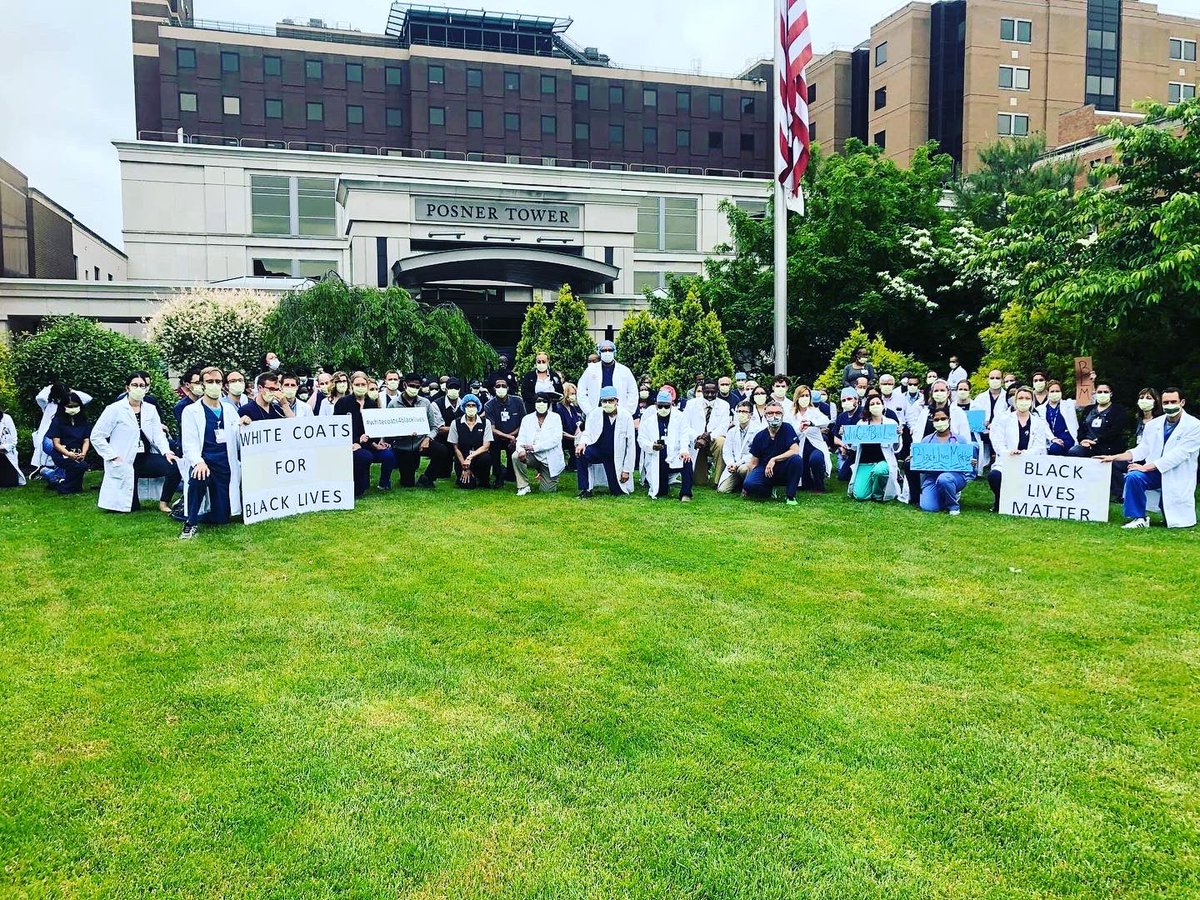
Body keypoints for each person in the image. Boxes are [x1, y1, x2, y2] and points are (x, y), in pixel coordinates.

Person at [1100, 388, 1200, 529]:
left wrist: (1146, 467)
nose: (1169, 405)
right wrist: (1114, 457)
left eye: (1173, 401)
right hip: (1154, 472)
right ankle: (1138, 517)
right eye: (1166, 402)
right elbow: (1142, 449)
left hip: (1177, 473)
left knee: (1175, 519)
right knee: (1134, 476)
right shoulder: (1153, 425)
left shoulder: (1194, 425)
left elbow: (1179, 455)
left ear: (1182, 402)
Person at [90, 372, 178, 513]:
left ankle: (164, 503)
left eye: (142, 385)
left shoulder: (150, 409)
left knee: (174, 466)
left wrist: (167, 452)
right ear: (127, 388)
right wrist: (112, 455)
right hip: (124, 458)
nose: (138, 388)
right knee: (131, 507)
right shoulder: (114, 409)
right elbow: (96, 436)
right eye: (135, 385)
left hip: (145, 457)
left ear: (146, 388)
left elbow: (158, 434)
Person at [178, 366, 242, 539]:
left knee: (222, 518)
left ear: (223, 385)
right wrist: (198, 462)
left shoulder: (229, 410)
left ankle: (182, 511)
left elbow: (238, 439)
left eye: (218, 382)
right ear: (202, 384)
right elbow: (189, 443)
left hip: (224, 464)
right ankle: (190, 522)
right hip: (204, 461)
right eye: (210, 382)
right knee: (199, 476)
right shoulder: (191, 411)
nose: (214, 385)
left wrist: (245, 425)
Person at [987, 386, 1052, 512]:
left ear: (1032, 401)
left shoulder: (1038, 422)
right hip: (1007, 460)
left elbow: (1039, 446)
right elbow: (997, 442)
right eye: (1021, 398)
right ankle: (1000, 502)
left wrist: (1024, 454)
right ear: (1015, 400)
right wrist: (1008, 453)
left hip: (1029, 462)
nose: (1024, 401)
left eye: (1027, 398)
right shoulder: (1004, 419)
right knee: (994, 476)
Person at [335, 371, 397, 496]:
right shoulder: (343, 403)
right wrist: (356, 441)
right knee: (365, 456)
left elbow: (374, 429)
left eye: (363, 384)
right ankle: (356, 486)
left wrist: (376, 443)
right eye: (357, 384)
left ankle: (384, 483)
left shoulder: (372, 404)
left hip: (369, 444)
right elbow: (337, 428)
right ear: (351, 385)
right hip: (350, 445)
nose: (360, 387)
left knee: (389, 455)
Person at [382, 373, 442, 489]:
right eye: (412, 385)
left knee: (442, 451)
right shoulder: (393, 404)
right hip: (403, 446)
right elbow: (388, 429)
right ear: (404, 385)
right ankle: (406, 475)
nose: (414, 389)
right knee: (407, 483)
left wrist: (428, 438)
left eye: (417, 387)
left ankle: (427, 477)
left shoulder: (425, 403)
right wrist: (401, 433)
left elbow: (434, 427)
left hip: (421, 442)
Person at [575, 385, 636, 498]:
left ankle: (616, 484)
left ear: (616, 401)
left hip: (615, 456)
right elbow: (588, 432)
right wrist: (582, 443)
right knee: (581, 454)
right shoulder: (595, 414)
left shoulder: (626, 416)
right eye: (604, 401)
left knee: (617, 491)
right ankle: (585, 489)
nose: (607, 403)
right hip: (598, 450)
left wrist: (627, 470)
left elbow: (630, 445)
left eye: (610, 400)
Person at [1070, 381, 1126, 501]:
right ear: (1095, 393)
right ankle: (1077, 487)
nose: (1102, 394)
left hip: (1109, 446)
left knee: (1110, 461)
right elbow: (1081, 428)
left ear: (1111, 393)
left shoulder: (1118, 410)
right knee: (1074, 452)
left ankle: (1118, 493)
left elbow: (1116, 430)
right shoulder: (1089, 409)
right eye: (1099, 392)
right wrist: (1082, 440)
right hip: (1087, 445)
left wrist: (1097, 441)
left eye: (1105, 392)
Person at [917, 408, 977, 515]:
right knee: (929, 507)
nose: (940, 422)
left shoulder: (960, 440)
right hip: (932, 477)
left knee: (944, 478)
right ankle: (943, 496)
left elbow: (967, 464)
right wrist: (916, 460)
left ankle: (953, 506)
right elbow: (922, 466)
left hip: (954, 477)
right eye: (937, 419)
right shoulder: (926, 440)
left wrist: (970, 463)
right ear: (932, 421)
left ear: (949, 419)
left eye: (943, 418)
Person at [639, 390, 695, 502]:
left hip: (676, 455)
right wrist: (652, 446)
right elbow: (641, 439)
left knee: (687, 461)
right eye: (660, 406)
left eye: (666, 406)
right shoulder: (648, 422)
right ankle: (663, 485)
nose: (663, 409)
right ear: (656, 406)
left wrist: (684, 450)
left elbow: (684, 435)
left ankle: (686, 494)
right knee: (661, 492)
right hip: (658, 457)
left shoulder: (680, 417)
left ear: (671, 405)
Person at [742, 401, 803, 504]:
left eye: (778, 413)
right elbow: (753, 463)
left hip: (784, 468)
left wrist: (774, 459)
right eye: (770, 413)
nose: (774, 416)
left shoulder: (787, 428)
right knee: (749, 484)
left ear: (782, 415)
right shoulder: (760, 436)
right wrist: (746, 485)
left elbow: (795, 450)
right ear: (765, 416)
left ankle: (790, 496)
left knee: (797, 460)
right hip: (765, 470)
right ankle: (768, 491)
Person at [848, 395, 904, 502]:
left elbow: (896, 449)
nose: (875, 406)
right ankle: (871, 487)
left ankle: (878, 494)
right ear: (868, 407)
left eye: (878, 403)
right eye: (872, 404)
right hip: (865, 463)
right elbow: (854, 447)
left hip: (883, 462)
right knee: (860, 496)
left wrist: (898, 436)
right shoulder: (861, 424)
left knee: (879, 471)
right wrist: (847, 436)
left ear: (883, 406)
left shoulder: (891, 423)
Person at [514, 390, 566, 495]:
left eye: (544, 401)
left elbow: (555, 440)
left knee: (547, 491)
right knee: (516, 456)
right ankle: (523, 486)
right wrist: (520, 450)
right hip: (532, 455)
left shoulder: (555, 418)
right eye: (538, 401)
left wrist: (535, 447)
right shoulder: (527, 419)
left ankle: (545, 474)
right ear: (534, 404)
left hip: (549, 459)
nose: (541, 404)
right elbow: (521, 438)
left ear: (548, 404)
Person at [32, 383, 93, 472]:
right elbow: (40, 397)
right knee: (61, 452)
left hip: (66, 437)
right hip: (51, 437)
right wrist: (50, 387)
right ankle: (58, 473)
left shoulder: (72, 405)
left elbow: (87, 398)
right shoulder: (48, 404)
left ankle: (53, 474)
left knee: (71, 456)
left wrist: (70, 392)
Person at [683, 379, 730, 487]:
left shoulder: (724, 405)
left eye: (713, 392)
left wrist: (708, 436)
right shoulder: (691, 404)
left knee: (721, 442)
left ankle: (717, 480)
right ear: (702, 390)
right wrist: (698, 437)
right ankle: (701, 476)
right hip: (697, 442)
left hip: (713, 440)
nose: (709, 395)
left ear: (717, 391)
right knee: (699, 482)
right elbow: (685, 425)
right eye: (706, 392)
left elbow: (723, 426)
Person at [483, 377, 526, 490]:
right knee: (494, 447)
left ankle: (512, 474)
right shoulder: (489, 405)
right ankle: (498, 477)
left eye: (503, 386)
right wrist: (507, 436)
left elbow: (524, 423)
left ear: (507, 388)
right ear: (494, 388)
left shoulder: (518, 401)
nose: (501, 388)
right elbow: (491, 428)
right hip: (497, 437)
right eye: (498, 386)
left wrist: (513, 436)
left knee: (514, 450)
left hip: (515, 436)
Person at [45, 394, 92, 494]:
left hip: (78, 452)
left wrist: (83, 453)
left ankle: (71, 487)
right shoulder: (57, 421)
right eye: (70, 406)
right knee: (79, 466)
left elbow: (86, 440)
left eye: (75, 406)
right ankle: (64, 488)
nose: (73, 409)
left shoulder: (83, 421)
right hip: (61, 453)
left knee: (81, 466)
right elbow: (56, 443)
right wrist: (68, 454)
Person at [577, 339, 638, 414]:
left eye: (610, 350)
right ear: (599, 352)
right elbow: (581, 391)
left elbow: (633, 392)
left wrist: (627, 411)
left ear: (614, 352)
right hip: (596, 411)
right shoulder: (590, 370)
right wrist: (589, 411)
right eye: (604, 350)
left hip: (619, 411)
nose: (607, 352)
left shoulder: (625, 370)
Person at [791, 385, 832, 493]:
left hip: (815, 445)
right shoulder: (791, 413)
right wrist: (800, 429)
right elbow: (790, 431)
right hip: (800, 446)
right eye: (802, 395)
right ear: (797, 397)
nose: (805, 398)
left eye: (807, 395)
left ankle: (820, 486)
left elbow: (826, 421)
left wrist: (812, 423)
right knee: (804, 482)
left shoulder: (814, 411)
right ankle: (806, 481)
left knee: (816, 459)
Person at [447, 393, 493, 489]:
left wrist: (470, 458)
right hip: (462, 460)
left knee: (486, 458)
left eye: (473, 405)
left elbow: (486, 446)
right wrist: (465, 465)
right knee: (467, 485)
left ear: (478, 407)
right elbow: (455, 448)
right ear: (464, 407)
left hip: (478, 458)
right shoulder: (455, 423)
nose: (471, 407)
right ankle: (468, 477)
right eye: (468, 405)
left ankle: (482, 479)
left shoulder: (485, 423)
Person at [718, 401, 759, 494]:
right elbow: (727, 451)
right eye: (739, 411)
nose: (741, 414)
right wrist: (730, 463)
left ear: (751, 415)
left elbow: (753, 454)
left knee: (743, 469)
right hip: (734, 465)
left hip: (747, 464)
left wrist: (738, 464)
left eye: (744, 412)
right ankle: (739, 483)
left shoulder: (757, 431)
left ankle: (748, 487)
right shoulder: (732, 431)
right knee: (722, 490)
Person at [971, 369, 1008, 468]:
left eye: (997, 378)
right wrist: (983, 425)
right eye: (992, 378)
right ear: (988, 380)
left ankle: (996, 457)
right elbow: (974, 418)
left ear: (1002, 380)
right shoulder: (980, 397)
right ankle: (986, 459)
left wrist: (994, 426)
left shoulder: (1007, 397)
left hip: (1001, 429)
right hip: (983, 431)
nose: (994, 380)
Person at [831, 387, 861, 482]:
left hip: (862, 451)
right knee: (842, 476)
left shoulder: (864, 413)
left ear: (856, 400)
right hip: (847, 452)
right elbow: (835, 437)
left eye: (849, 399)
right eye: (843, 400)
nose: (846, 402)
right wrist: (842, 446)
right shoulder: (842, 416)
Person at [1043, 380, 1078, 456]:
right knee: (1054, 448)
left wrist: (1091, 382)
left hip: (1067, 439)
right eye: (1052, 391)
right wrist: (1053, 439)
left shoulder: (1069, 404)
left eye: (1057, 391)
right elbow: (1043, 426)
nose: (1055, 393)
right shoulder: (1041, 409)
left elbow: (1087, 401)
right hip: (1051, 440)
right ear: (1047, 392)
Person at [556, 382, 584, 472]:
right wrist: (575, 438)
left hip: (572, 437)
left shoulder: (573, 408)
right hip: (562, 438)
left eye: (575, 394)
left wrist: (578, 436)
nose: (574, 396)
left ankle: (575, 464)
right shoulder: (558, 408)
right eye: (572, 394)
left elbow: (577, 425)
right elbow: (559, 431)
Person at [0, 402, 24, 487]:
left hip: (6, 454)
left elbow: (14, 441)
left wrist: (2, 448)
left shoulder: (7, 419)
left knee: (9, 482)